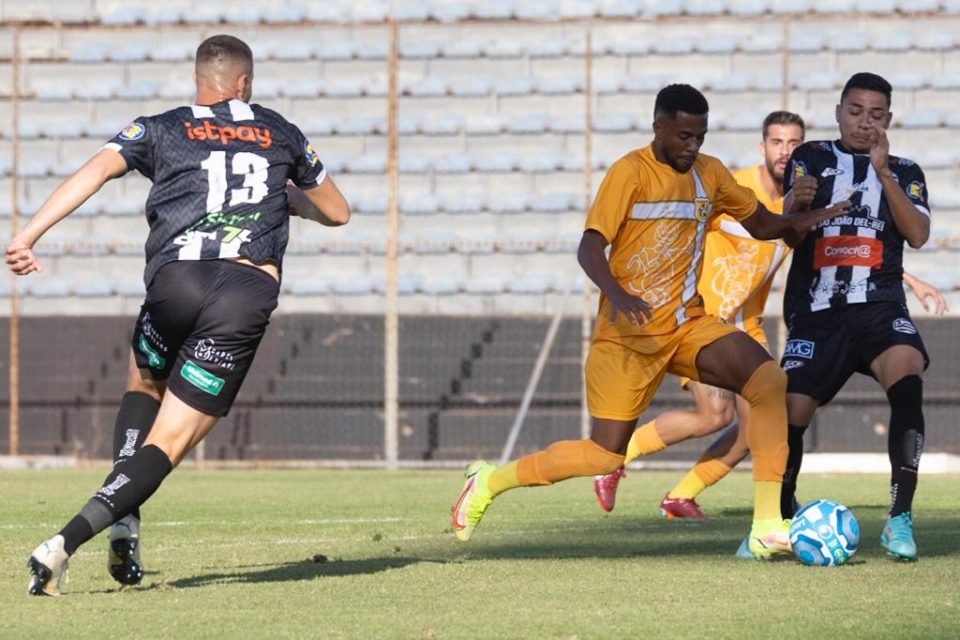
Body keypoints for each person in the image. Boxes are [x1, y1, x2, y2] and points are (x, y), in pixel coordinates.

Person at [10, 34, 351, 596]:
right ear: (244, 83)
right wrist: (285, 198)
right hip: (243, 290)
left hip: (175, 283)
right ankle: (62, 544)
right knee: (169, 443)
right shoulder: (280, 130)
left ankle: (125, 517)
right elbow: (337, 212)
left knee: (143, 381)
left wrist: (27, 235)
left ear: (200, 80)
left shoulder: (160, 126)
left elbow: (94, 171)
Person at [450, 84, 850, 559]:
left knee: (767, 381)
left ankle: (766, 525)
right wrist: (616, 294)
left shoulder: (709, 173)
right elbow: (589, 245)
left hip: (686, 325)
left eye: (699, 136)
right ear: (658, 127)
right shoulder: (629, 173)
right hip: (626, 336)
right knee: (603, 454)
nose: (691, 146)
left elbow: (763, 226)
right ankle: (489, 480)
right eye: (683, 135)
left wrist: (805, 216)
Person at [592, 113, 948, 527]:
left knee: (757, 425)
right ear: (763, 147)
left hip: (748, 323)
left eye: (793, 142)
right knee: (715, 416)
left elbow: (846, 242)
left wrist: (909, 277)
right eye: (777, 142)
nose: (786, 151)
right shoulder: (736, 186)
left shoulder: (808, 194)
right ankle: (614, 460)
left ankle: (681, 495)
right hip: (706, 316)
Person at [777, 72, 933, 561]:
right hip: (818, 311)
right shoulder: (812, 159)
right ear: (839, 111)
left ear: (888, 119)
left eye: (877, 114)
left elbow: (919, 235)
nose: (865, 122)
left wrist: (884, 174)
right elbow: (788, 234)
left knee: (908, 372)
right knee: (788, 417)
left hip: (880, 305)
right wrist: (794, 205)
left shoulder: (906, 169)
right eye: (856, 111)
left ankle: (899, 519)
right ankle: (781, 516)